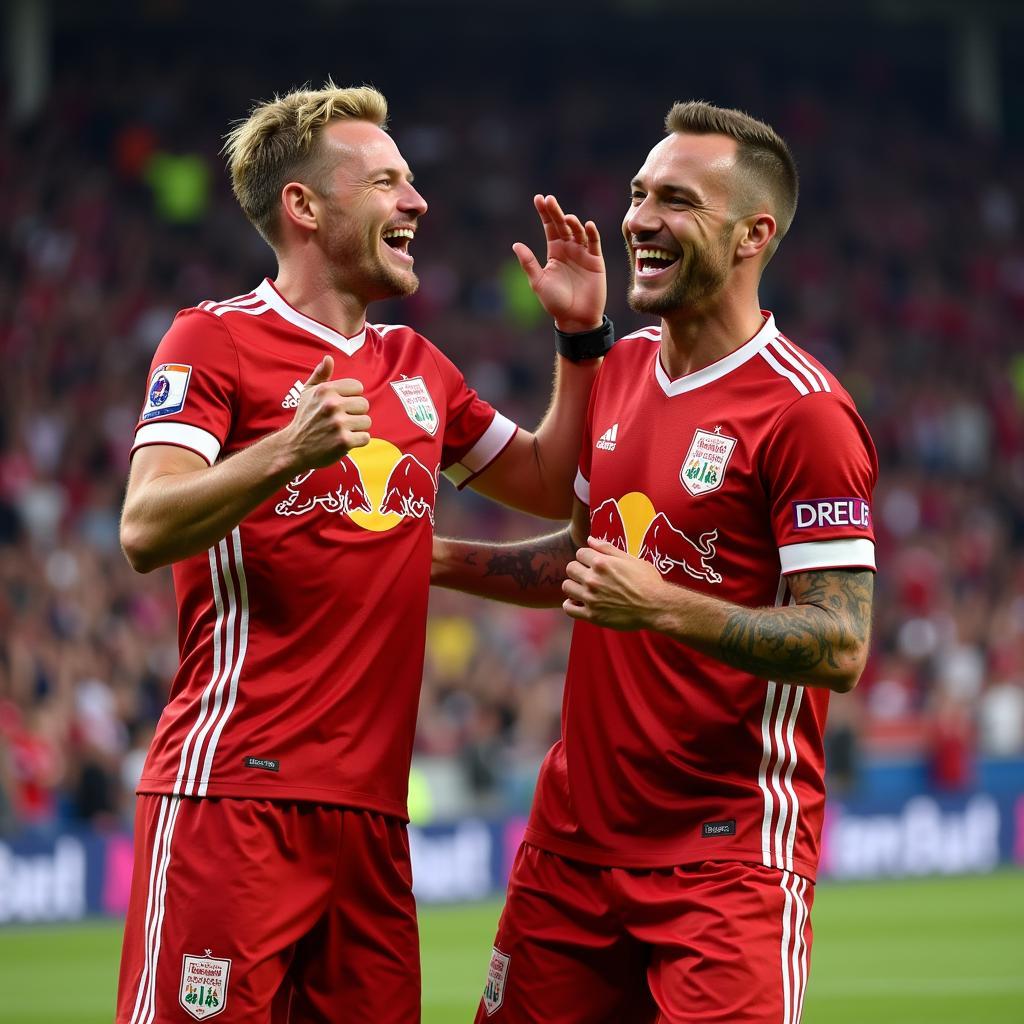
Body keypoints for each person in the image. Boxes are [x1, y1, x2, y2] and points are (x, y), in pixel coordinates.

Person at [115, 82, 609, 1024]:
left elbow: (550, 480)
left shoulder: (419, 369)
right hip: (234, 797)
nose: (416, 203)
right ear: (305, 207)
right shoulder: (212, 339)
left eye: (411, 182)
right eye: (386, 182)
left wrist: (581, 341)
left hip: (374, 822)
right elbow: (146, 524)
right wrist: (289, 449)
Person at [432, 100, 877, 1023]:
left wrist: (668, 607)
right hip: (574, 843)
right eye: (638, 195)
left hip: (724, 856)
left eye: (675, 200)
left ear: (754, 233)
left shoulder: (806, 415)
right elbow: (591, 565)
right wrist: (429, 559)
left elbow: (839, 642)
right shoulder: (623, 369)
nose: (638, 219)